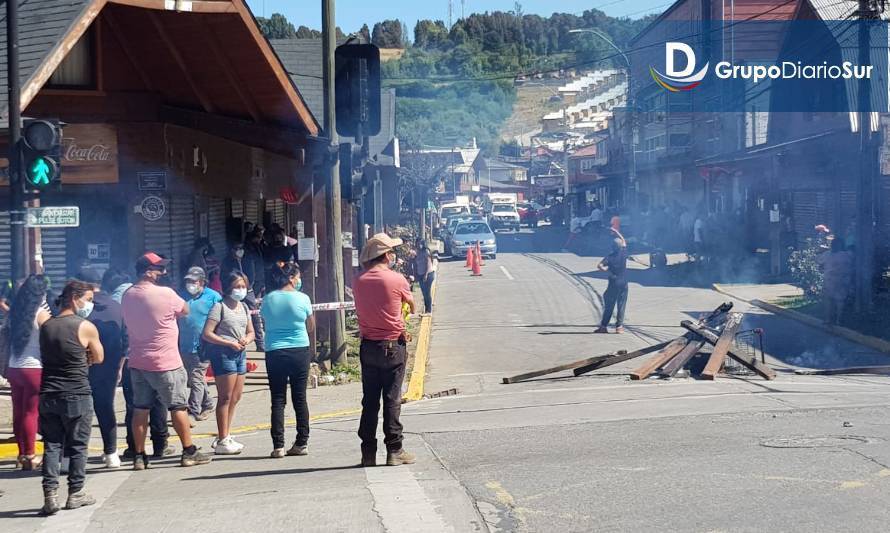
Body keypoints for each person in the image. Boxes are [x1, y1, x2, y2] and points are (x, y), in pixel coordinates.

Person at [121, 252, 212, 469]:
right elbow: (185, 310)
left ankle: (140, 456)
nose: (164, 272)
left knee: (140, 409)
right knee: (178, 406)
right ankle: (189, 451)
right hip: (166, 362)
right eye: (159, 269)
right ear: (148, 272)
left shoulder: (128, 294)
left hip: (138, 360)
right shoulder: (166, 294)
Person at [38, 280, 104, 515]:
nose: (90, 304)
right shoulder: (84, 326)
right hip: (76, 393)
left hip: (48, 393)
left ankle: (50, 495)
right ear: (74, 299)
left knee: (52, 445)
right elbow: (99, 357)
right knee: (77, 445)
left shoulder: (47, 325)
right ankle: (75, 493)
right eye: (88, 299)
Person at [353, 233, 417, 467]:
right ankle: (394, 450)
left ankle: (368, 452)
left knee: (370, 401)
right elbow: (411, 304)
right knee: (392, 399)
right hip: (392, 345)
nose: (393, 255)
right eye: (392, 251)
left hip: (368, 345)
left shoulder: (358, 280)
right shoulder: (397, 279)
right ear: (386, 255)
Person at [107, 270, 172, 461]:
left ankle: (135, 448)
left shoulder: (121, 302)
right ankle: (160, 445)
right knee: (159, 402)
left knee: (135, 406)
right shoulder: (151, 301)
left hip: (131, 361)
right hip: (157, 358)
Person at [260, 263, 315, 458]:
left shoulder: (267, 299)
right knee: (299, 397)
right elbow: (310, 325)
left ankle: (278, 445)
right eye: (298, 276)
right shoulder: (303, 298)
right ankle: (302, 441)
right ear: (292, 277)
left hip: (274, 350)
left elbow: (266, 323)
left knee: (277, 398)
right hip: (299, 349)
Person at [1, 275, 52, 470]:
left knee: (19, 412)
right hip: (34, 368)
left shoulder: (15, 312)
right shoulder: (41, 314)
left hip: (15, 367)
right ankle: (30, 455)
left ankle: (22, 454)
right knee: (31, 413)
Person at [202, 272, 254, 455]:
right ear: (228, 288)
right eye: (237, 286)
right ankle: (223, 439)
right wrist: (228, 343)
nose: (240, 290)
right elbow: (207, 333)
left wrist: (246, 340)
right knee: (225, 397)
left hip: (240, 353)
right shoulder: (219, 307)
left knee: (236, 397)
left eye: (243, 286)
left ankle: (225, 433)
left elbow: (251, 331)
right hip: (224, 353)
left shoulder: (244, 306)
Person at [80, 268, 127, 469]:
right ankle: (111, 453)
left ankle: (72, 455)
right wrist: (120, 366)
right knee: (106, 408)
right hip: (110, 367)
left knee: (81, 412)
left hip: (83, 368)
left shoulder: (81, 309)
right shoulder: (116, 307)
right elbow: (126, 340)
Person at [178, 267, 221, 422]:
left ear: (202, 282)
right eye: (188, 281)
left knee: (196, 377)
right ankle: (208, 403)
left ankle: (193, 410)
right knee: (194, 377)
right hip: (184, 344)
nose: (190, 284)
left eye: (194, 281)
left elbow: (221, 319)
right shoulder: (181, 296)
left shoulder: (213, 297)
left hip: (204, 346)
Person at [222, 241, 265, 351]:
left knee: (254, 315)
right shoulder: (227, 262)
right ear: (232, 250)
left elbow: (252, 276)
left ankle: (260, 343)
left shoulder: (248, 259)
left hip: (248, 290)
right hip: (232, 291)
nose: (239, 250)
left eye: (241, 248)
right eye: (236, 248)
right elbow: (224, 277)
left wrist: (247, 288)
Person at [595, 233, 629, 334]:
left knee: (609, 305)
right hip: (624, 283)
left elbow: (599, 266)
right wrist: (616, 231)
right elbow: (623, 241)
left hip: (613, 283)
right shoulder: (623, 253)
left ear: (612, 247)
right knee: (621, 305)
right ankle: (619, 327)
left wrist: (606, 270)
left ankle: (603, 326)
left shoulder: (610, 257)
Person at [817, 237, 854, 326]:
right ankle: (839, 320)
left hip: (830, 280)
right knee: (840, 300)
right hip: (843, 279)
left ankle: (828, 319)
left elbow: (819, 263)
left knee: (828, 300)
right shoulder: (848, 255)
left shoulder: (827, 254)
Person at [414, 240, 435, 314]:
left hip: (428, 274)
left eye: (420, 244)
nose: (419, 245)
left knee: (427, 292)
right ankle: (426, 308)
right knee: (424, 293)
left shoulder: (426, 251)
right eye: (417, 244)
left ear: (423, 244)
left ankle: (428, 310)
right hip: (420, 274)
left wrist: (426, 275)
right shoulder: (417, 252)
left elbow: (428, 264)